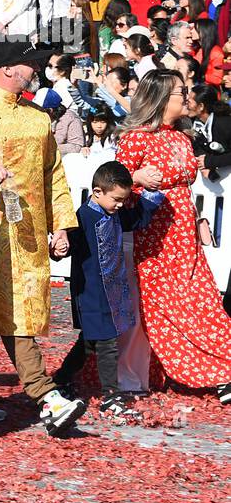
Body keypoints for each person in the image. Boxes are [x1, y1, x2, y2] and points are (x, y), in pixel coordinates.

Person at [0, 38, 89, 435]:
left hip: (30, 235)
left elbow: (54, 176)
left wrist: (62, 226)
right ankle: (47, 396)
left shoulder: (39, 118)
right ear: (8, 69)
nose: (36, 71)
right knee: (11, 313)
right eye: (30, 66)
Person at [115, 70, 231, 401]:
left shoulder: (181, 138)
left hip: (184, 233)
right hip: (154, 236)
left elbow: (185, 187)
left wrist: (198, 220)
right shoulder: (137, 138)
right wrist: (136, 176)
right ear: (163, 98)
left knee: (201, 300)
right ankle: (211, 370)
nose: (188, 98)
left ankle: (219, 367)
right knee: (167, 306)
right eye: (182, 93)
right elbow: (115, 183)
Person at [58, 161, 164, 421]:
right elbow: (68, 244)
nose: (120, 205)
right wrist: (59, 248)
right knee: (106, 343)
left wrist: (150, 195)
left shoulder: (115, 214)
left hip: (111, 290)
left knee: (90, 343)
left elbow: (136, 219)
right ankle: (111, 396)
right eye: (116, 199)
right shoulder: (83, 217)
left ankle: (61, 379)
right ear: (97, 192)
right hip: (91, 291)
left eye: (122, 200)